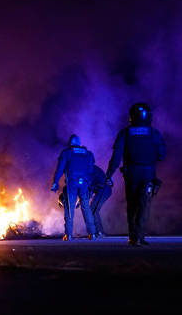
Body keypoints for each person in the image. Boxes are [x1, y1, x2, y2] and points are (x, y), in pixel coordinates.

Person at [106, 103, 166, 246]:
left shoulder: (125, 133)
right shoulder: (154, 133)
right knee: (144, 205)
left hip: (131, 173)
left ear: (131, 117)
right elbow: (162, 155)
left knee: (132, 204)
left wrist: (109, 174)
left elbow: (116, 157)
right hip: (148, 174)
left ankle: (133, 237)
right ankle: (139, 236)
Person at [51, 135, 96, 240]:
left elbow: (60, 169)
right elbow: (91, 170)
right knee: (86, 207)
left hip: (72, 183)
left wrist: (55, 183)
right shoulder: (88, 153)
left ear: (70, 143)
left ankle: (69, 234)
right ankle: (92, 233)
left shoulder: (67, 152)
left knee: (69, 208)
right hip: (84, 183)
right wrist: (88, 183)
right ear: (79, 143)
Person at [89, 165, 112, 237]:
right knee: (93, 209)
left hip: (103, 189)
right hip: (103, 189)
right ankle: (98, 231)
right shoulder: (90, 168)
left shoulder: (89, 169)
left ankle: (99, 232)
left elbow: (89, 186)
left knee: (93, 210)